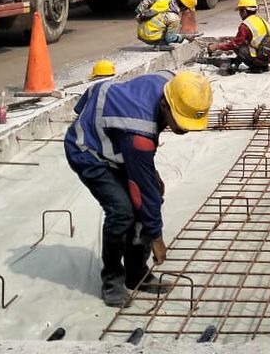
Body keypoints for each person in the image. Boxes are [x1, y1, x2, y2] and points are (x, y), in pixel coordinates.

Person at [65, 62, 212, 306]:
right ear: (165, 105)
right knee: (123, 212)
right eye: (180, 123)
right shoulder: (139, 132)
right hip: (87, 151)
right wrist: (156, 236)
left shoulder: (172, 83)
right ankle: (112, 282)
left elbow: (100, 91)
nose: (184, 130)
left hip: (118, 139)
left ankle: (136, 274)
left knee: (151, 194)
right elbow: (142, 192)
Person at [206, 0, 270, 72]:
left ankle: (256, 67)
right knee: (244, 42)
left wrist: (216, 46)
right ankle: (261, 65)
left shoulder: (245, 26)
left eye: (240, 11)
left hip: (261, 59)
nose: (239, 14)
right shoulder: (261, 20)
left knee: (238, 47)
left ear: (244, 11)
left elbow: (235, 44)